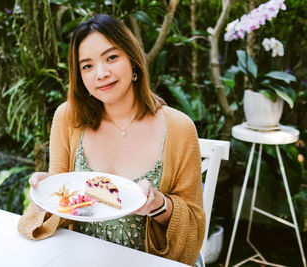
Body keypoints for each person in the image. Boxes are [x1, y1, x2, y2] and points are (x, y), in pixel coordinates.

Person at [17, 14, 205, 266]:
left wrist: (158, 205)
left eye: (111, 58)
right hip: (80, 258)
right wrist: (48, 197)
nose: (101, 73)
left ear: (133, 60)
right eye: (87, 66)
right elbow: (58, 211)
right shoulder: (68, 118)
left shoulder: (179, 128)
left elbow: (193, 226)